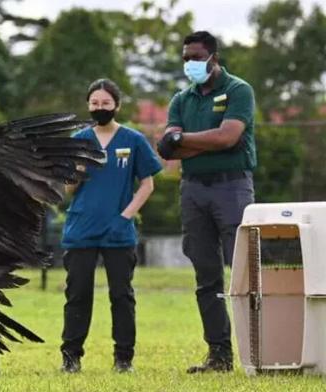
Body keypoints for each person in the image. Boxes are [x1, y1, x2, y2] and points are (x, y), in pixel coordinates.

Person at [157, 31, 256, 373]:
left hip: (232, 189)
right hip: (194, 190)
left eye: (196, 58)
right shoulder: (181, 99)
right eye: (185, 58)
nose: (190, 64)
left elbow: (229, 137)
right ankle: (219, 355)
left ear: (213, 57)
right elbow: (167, 149)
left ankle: (260, 352)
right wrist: (204, 141)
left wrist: (183, 139)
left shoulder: (238, 90)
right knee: (206, 276)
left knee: (244, 272)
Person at [60, 78, 162, 373]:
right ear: (88, 106)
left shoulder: (133, 140)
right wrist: (77, 170)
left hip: (118, 231)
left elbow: (148, 184)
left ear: (117, 105)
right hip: (81, 230)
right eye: (94, 104)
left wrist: (125, 216)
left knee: (122, 295)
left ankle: (123, 358)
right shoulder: (78, 139)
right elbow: (68, 189)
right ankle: (71, 357)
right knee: (78, 294)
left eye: (105, 103)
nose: (100, 108)